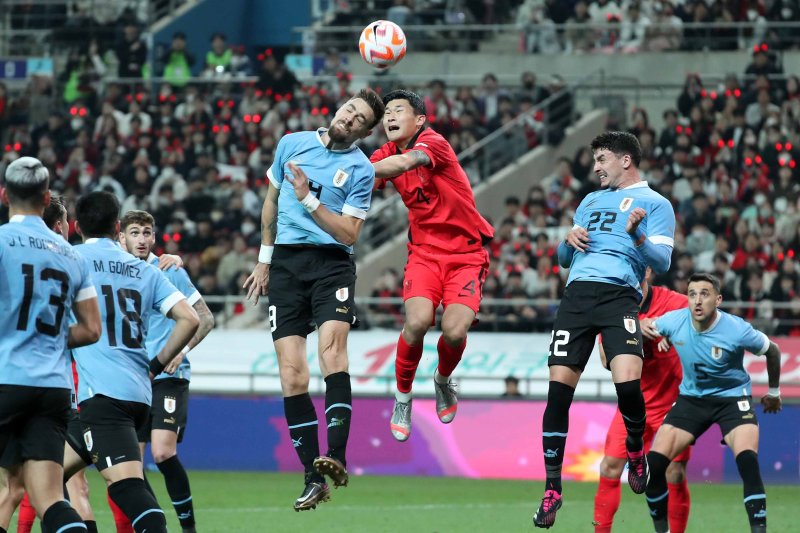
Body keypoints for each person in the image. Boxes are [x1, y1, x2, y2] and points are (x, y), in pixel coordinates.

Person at [243, 88, 385, 511]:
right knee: (292, 376)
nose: (349, 119)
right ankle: (311, 477)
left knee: (332, 353)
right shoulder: (292, 143)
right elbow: (271, 203)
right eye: (349, 110)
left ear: (366, 130)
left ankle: (336, 456)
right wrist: (264, 259)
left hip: (331, 266)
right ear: (339, 108)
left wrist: (308, 198)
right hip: (286, 265)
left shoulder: (361, 170)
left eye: (359, 119)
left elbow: (349, 234)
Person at [534, 131, 676, 529]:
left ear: (625, 160)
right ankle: (552, 488)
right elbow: (564, 259)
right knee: (557, 394)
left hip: (619, 298)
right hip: (577, 298)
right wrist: (568, 239)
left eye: (601, 159)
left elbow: (661, 261)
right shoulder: (590, 201)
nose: (595, 167)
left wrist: (637, 235)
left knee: (628, 384)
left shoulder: (656, 204)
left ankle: (635, 449)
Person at [63, 191, 200, 533]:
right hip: (136, 391)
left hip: (105, 397)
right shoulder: (144, 270)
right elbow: (191, 319)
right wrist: (155, 365)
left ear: (76, 226)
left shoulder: (71, 259)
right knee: (43, 478)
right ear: (117, 227)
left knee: (127, 488)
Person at [369, 89, 494, 442]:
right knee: (419, 321)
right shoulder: (384, 152)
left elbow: (405, 165)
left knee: (454, 331)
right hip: (424, 254)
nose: (389, 117)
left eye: (397, 111)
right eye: (386, 113)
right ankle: (403, 397)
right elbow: (367, 180)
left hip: (466, 256)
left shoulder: (433, 143)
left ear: (419, 119)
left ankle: (441, 380)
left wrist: (356, 167)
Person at [0, 157, 101, 533]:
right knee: (49, 499)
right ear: (46, 199)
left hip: (5, 377)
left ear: (5, 194)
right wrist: (47, 336)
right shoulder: (70, 254)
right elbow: (91, 329)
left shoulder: (1, 242)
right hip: (53, 388)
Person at [641, 273, 782, 533]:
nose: (697, 300)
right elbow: (646, 325)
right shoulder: (675, 320)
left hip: (732, 399)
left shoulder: (736, 328)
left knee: (748, 462)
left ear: (718, 300)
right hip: (692, 400)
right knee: (653, 468)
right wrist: (647, 328)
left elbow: (772, 349)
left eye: (704, 294)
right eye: (692, 293)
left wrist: (773, 392)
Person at [119, 209, 215, 533]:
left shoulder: (169, 270)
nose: (142, 240)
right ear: (121, 237)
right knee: (131, 464)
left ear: (155, 237)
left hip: (168, 376)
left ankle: (188, 528)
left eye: (147, 233)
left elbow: (205, 317)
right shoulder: (116, 271)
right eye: (135, 232)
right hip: (133, 378)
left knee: (161, 452)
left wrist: (182, 351)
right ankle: (152, 521)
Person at [593, 268, 691, 533]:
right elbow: (605, 360)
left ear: (647, 272)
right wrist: (634, 331)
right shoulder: (613, 308)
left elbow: (702, 322)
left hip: (673, 404)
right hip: (633, 404)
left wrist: (668, 332)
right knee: (610, 467)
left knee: (674, 472)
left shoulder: (673, 302)